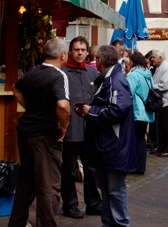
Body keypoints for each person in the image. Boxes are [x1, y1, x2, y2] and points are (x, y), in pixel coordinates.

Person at [7, 39, 70, 227]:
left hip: (25, 133)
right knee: (48, 187)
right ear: (63, 55)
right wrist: (63, 125)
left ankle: (16, 224)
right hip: (44, 135)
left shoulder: (33, 72)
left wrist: (31, 108)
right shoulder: (59, 76)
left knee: (26, 183)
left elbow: (15, 88)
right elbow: (62, 104)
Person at [76, 45, 136, 227]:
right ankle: (109, 223)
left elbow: (118, 110)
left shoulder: (115, 80)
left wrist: (91, 111)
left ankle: (120, 224)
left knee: (115, 190)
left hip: (114, 145)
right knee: (107, 188)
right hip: (106, 145)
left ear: (100, 61)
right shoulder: (109, 78)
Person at [60, 36, 101, 218]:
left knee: (91, 169)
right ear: (70, 51)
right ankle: (70, 205)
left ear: (87, 52)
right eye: (76, 50)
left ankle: (93, 204)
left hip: (89, 130)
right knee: (68, 170)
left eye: (83, 50)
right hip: (68, 130)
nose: (80, 53)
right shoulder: (62, 72)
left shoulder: (92, 74)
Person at [126, 50, 154, 175]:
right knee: (141, 139)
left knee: (134, 139)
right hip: (146, 111)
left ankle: (135, 165)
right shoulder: (147, 74)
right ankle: (141, 166)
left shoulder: (133, 75)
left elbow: (128, 93)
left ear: (133, 62)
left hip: (136, 110)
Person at [152, 49, 168, 157]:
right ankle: (161, 147)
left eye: (153, 57)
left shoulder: (166, 67)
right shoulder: (159, 67)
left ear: (160, 58)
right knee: (161, 126)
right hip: (161, 101)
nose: (152, 59)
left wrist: (151, 87)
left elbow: (164, 85)